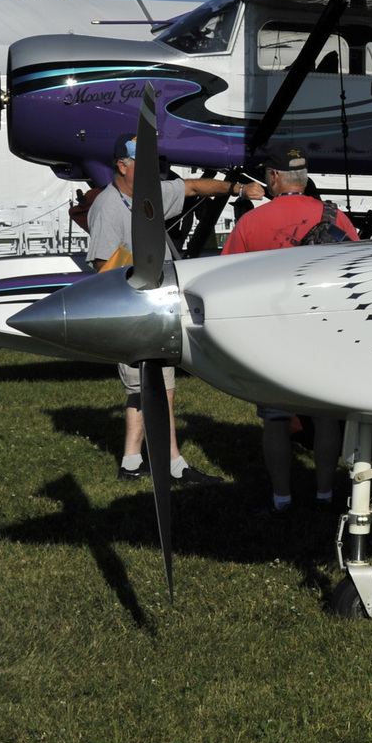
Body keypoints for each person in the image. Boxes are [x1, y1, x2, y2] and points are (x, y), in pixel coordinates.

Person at [85, 134, 261, 484]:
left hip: (155, 307)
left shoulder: (151, 193)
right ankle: (173, 464)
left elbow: (194, 187)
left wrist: (236, 191)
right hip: (133, 310)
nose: (153, 172)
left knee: (143, 389)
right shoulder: (107, 207)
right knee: (159, 390)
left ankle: (132, 462)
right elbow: (102, 267)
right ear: (122, 166)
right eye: (144, 165)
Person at [224, 145, 360, 516]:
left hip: (275, 338)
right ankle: (325, 495)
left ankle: (282, 499)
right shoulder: (336, 217)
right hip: (326, 334)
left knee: (276, 420)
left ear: (273, 178)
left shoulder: (251, 223)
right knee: (327, 418)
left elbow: (226, 280)